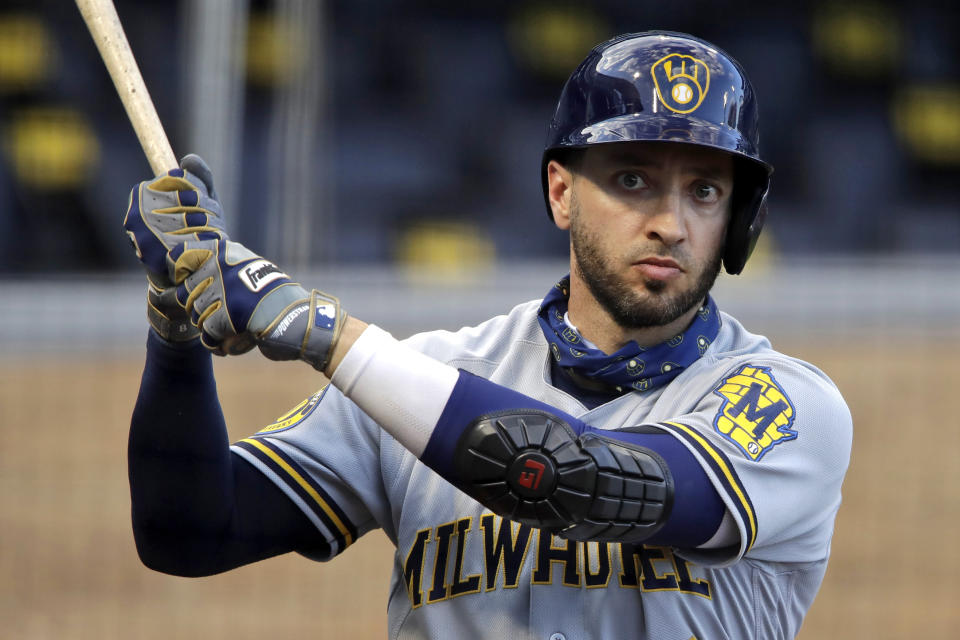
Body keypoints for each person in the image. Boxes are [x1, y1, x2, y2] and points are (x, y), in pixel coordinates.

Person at [124, 31, 852, 639]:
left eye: (705, 190)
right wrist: (175, 333)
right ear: (561, 193)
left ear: (738, 220)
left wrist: (319, 332)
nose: (672, 221)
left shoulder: (785, 407)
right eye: (633, 180)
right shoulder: (429, 374)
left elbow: (579, 481)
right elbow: (188, 531)